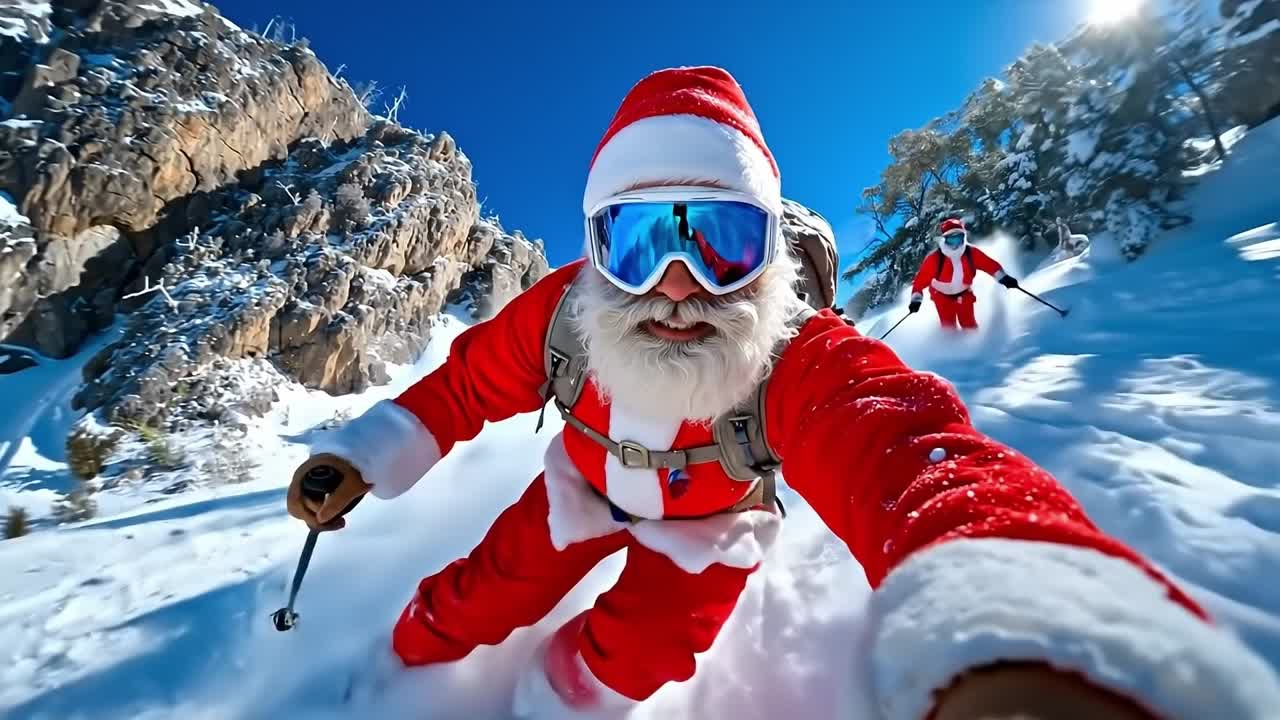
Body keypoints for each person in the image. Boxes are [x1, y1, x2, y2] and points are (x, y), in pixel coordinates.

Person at [287, 67, 1277, 720]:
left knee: (635, 657)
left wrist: (1037, 623)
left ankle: (552, 699)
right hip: (577, 491)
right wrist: (362, 456)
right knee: (478, 591)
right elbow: (463, 387)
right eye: (637, 244)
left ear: (764, 261)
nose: (676, 284)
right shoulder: (560, 313)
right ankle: (387, 679)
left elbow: (904, 445)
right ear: (593, 253)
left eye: (720, 242)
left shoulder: (793, 349)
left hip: (707, 527)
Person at [908, 218, 1017, 331]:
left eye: (958, 239)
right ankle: (951, 346)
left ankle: (974, 345)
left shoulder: (971, 253)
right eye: (951, 240)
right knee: (948, 328)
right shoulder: (935, 258)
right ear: (945, 239)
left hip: (964, 295)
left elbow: (989, 265)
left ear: (964, 237)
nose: (955, 245)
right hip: (941, 297)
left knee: (969, 325)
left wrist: (1004, 278)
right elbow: (920, 281)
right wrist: (916, 300)